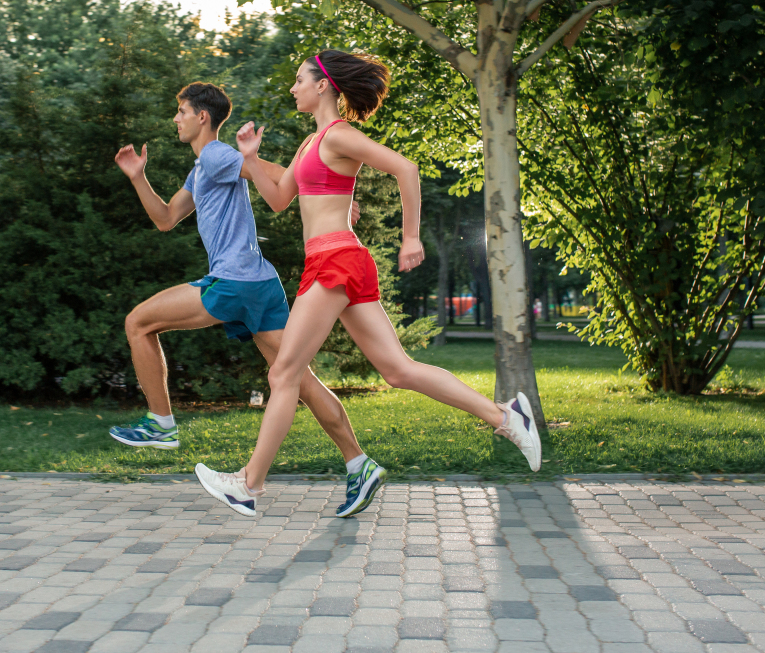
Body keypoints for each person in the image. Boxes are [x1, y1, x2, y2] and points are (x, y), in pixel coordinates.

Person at [194, 51, 542, 517]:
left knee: (283, 374)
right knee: (397, 370)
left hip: (336, 260)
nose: (293, 88)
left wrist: (411, 237)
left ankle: (248, 484)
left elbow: (406, 169)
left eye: (299, 80)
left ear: (323, 86)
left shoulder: (340, 136)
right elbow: (278, 201)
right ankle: (504, 417)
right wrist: (251, 160)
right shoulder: (308, 144)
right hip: (334, 262)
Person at [110, 82, 387, 517]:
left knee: (138, 322)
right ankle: (359, 463)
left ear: (203, 117)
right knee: (297, 379)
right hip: (260, 284)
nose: (176, 118)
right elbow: (166, 218)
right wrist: (138, 178)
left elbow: (282, 176)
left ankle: (161, 425)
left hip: (235, 282)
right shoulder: (202, 169)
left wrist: (335, 199)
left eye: (181, 111)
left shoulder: (218, 155)